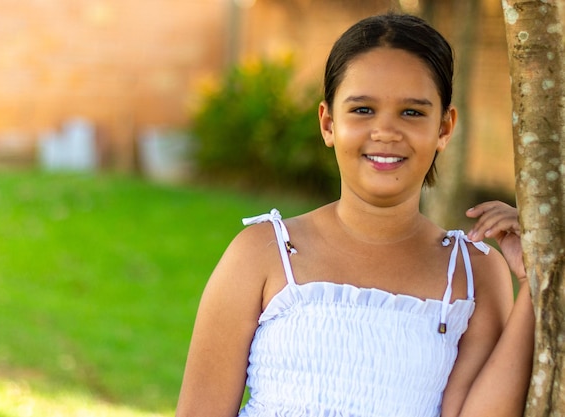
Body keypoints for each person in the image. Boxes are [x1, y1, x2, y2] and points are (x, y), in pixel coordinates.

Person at [176, 13, 534, 417]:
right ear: (328, 123)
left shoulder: (472, 273)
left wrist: (534, 281)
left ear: (445, 127)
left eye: (412, 113)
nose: (386, 131)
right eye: (363, 110)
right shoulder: (264, 253)